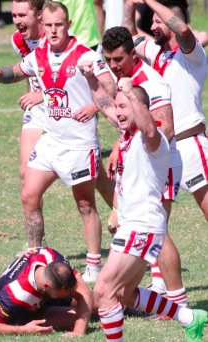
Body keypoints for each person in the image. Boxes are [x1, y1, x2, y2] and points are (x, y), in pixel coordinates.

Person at [0, 1, 116, 283]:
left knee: (84, 204)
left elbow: (111, 87)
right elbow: (18, 71)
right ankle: (35, 252)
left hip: (79, 144)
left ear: (68, 26)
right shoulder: (39, 53)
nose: (54, 31)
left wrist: (94, 107)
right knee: (29, 194)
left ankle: (93, 263)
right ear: (42, 25)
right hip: (51, 142)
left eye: (59, 25)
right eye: (49, 26)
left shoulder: (85, 55)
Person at [80, 73, 207, 341]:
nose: (118, 112)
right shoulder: (128, 137)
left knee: (103, 293)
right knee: (125, 294)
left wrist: (131, 94)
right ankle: (188, 317)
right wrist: (90, 78)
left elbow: (149, 128)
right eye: (119, 107)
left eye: (125, 106)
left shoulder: (154, 139)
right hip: (135, 225)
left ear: (141, 108)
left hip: (143, 225)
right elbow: (105, 104)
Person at [124, 0, 207, 308]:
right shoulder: (157, 54)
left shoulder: (192, 53)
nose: (154, 27)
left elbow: (183, 30)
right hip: (164, 150)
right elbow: (129, 38)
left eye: (158, 21)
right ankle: (166, 290)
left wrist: (149, 1)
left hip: (192, 145)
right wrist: (130, 6)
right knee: (156, 222)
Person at [99, 25, 189, 313]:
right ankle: (150, 294)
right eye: (109, 59)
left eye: (118, 60)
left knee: (156, 231)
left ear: (133, 54)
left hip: (159, 165)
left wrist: (136, 146)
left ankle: (178, 302)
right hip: (141, 162)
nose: (113, 66)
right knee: (140, 227)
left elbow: (167, 129)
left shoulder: (151, 83)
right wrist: (120, 145)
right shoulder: (126, 77)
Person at [0, 247, 93, 336]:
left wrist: (78, 332)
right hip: (25, 312)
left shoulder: (50, 256)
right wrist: (24, 330)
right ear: (47, 286)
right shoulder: (15, 293)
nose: (70, 294)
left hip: (44, 295)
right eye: (63, 294)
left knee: (94, 303)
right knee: (74, 318)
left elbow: (84, 292)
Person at [10, 0, 45, 192]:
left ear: (39, 14)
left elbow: (72, 81)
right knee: (25, 172)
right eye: (14, 15)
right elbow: (28, 71)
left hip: (65, 109)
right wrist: (30, 95)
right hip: (38, 111)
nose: (17, 20)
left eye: (22, 15)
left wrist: (43, 94)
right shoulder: (18, 40)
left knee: (93, 181)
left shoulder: (57, 38)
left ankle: (118, 212)